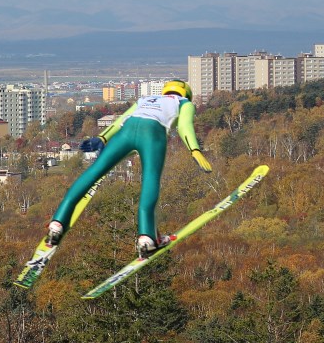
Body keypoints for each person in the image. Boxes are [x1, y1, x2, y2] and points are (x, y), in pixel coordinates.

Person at [46, 80, 212, 256]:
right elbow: (185, 126)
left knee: (94, 171)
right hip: (153, 133)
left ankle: (57, 223)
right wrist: (194, 149)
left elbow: (120, 121)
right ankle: (147, 236)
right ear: (186, 94)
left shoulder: (146, 99)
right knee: (150, 178)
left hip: (126, 131)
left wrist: (102, 138)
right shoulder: (183, 103)